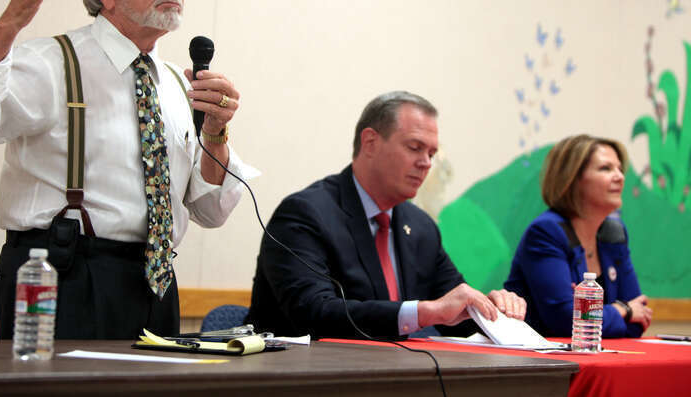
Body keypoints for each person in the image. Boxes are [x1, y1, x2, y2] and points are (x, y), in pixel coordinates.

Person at [0, 0, 258, 339]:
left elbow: (211, 210)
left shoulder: (178, 83)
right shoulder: (51, 63)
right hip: (64, 277)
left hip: (156, 285)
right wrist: (11, 22)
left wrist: (215, 130)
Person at [246, 91, 525, 339]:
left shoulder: (421, 226)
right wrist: (425, 312)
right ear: (370, 143)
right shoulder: (305, 214)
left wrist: (492, 312)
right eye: (415, 148)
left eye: (431, 153)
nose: (426, 163)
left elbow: (456, 314)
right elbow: (314, 314)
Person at [504, 134, 651, 338]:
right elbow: (565, 320)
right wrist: (623, 311)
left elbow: (639, 320)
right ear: (572, 180)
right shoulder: (547, 232)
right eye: (606, 168)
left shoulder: (614, 233)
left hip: (600, 357)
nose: (619, 176)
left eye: (619, 168)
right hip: (540, 362)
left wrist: (611, 314)